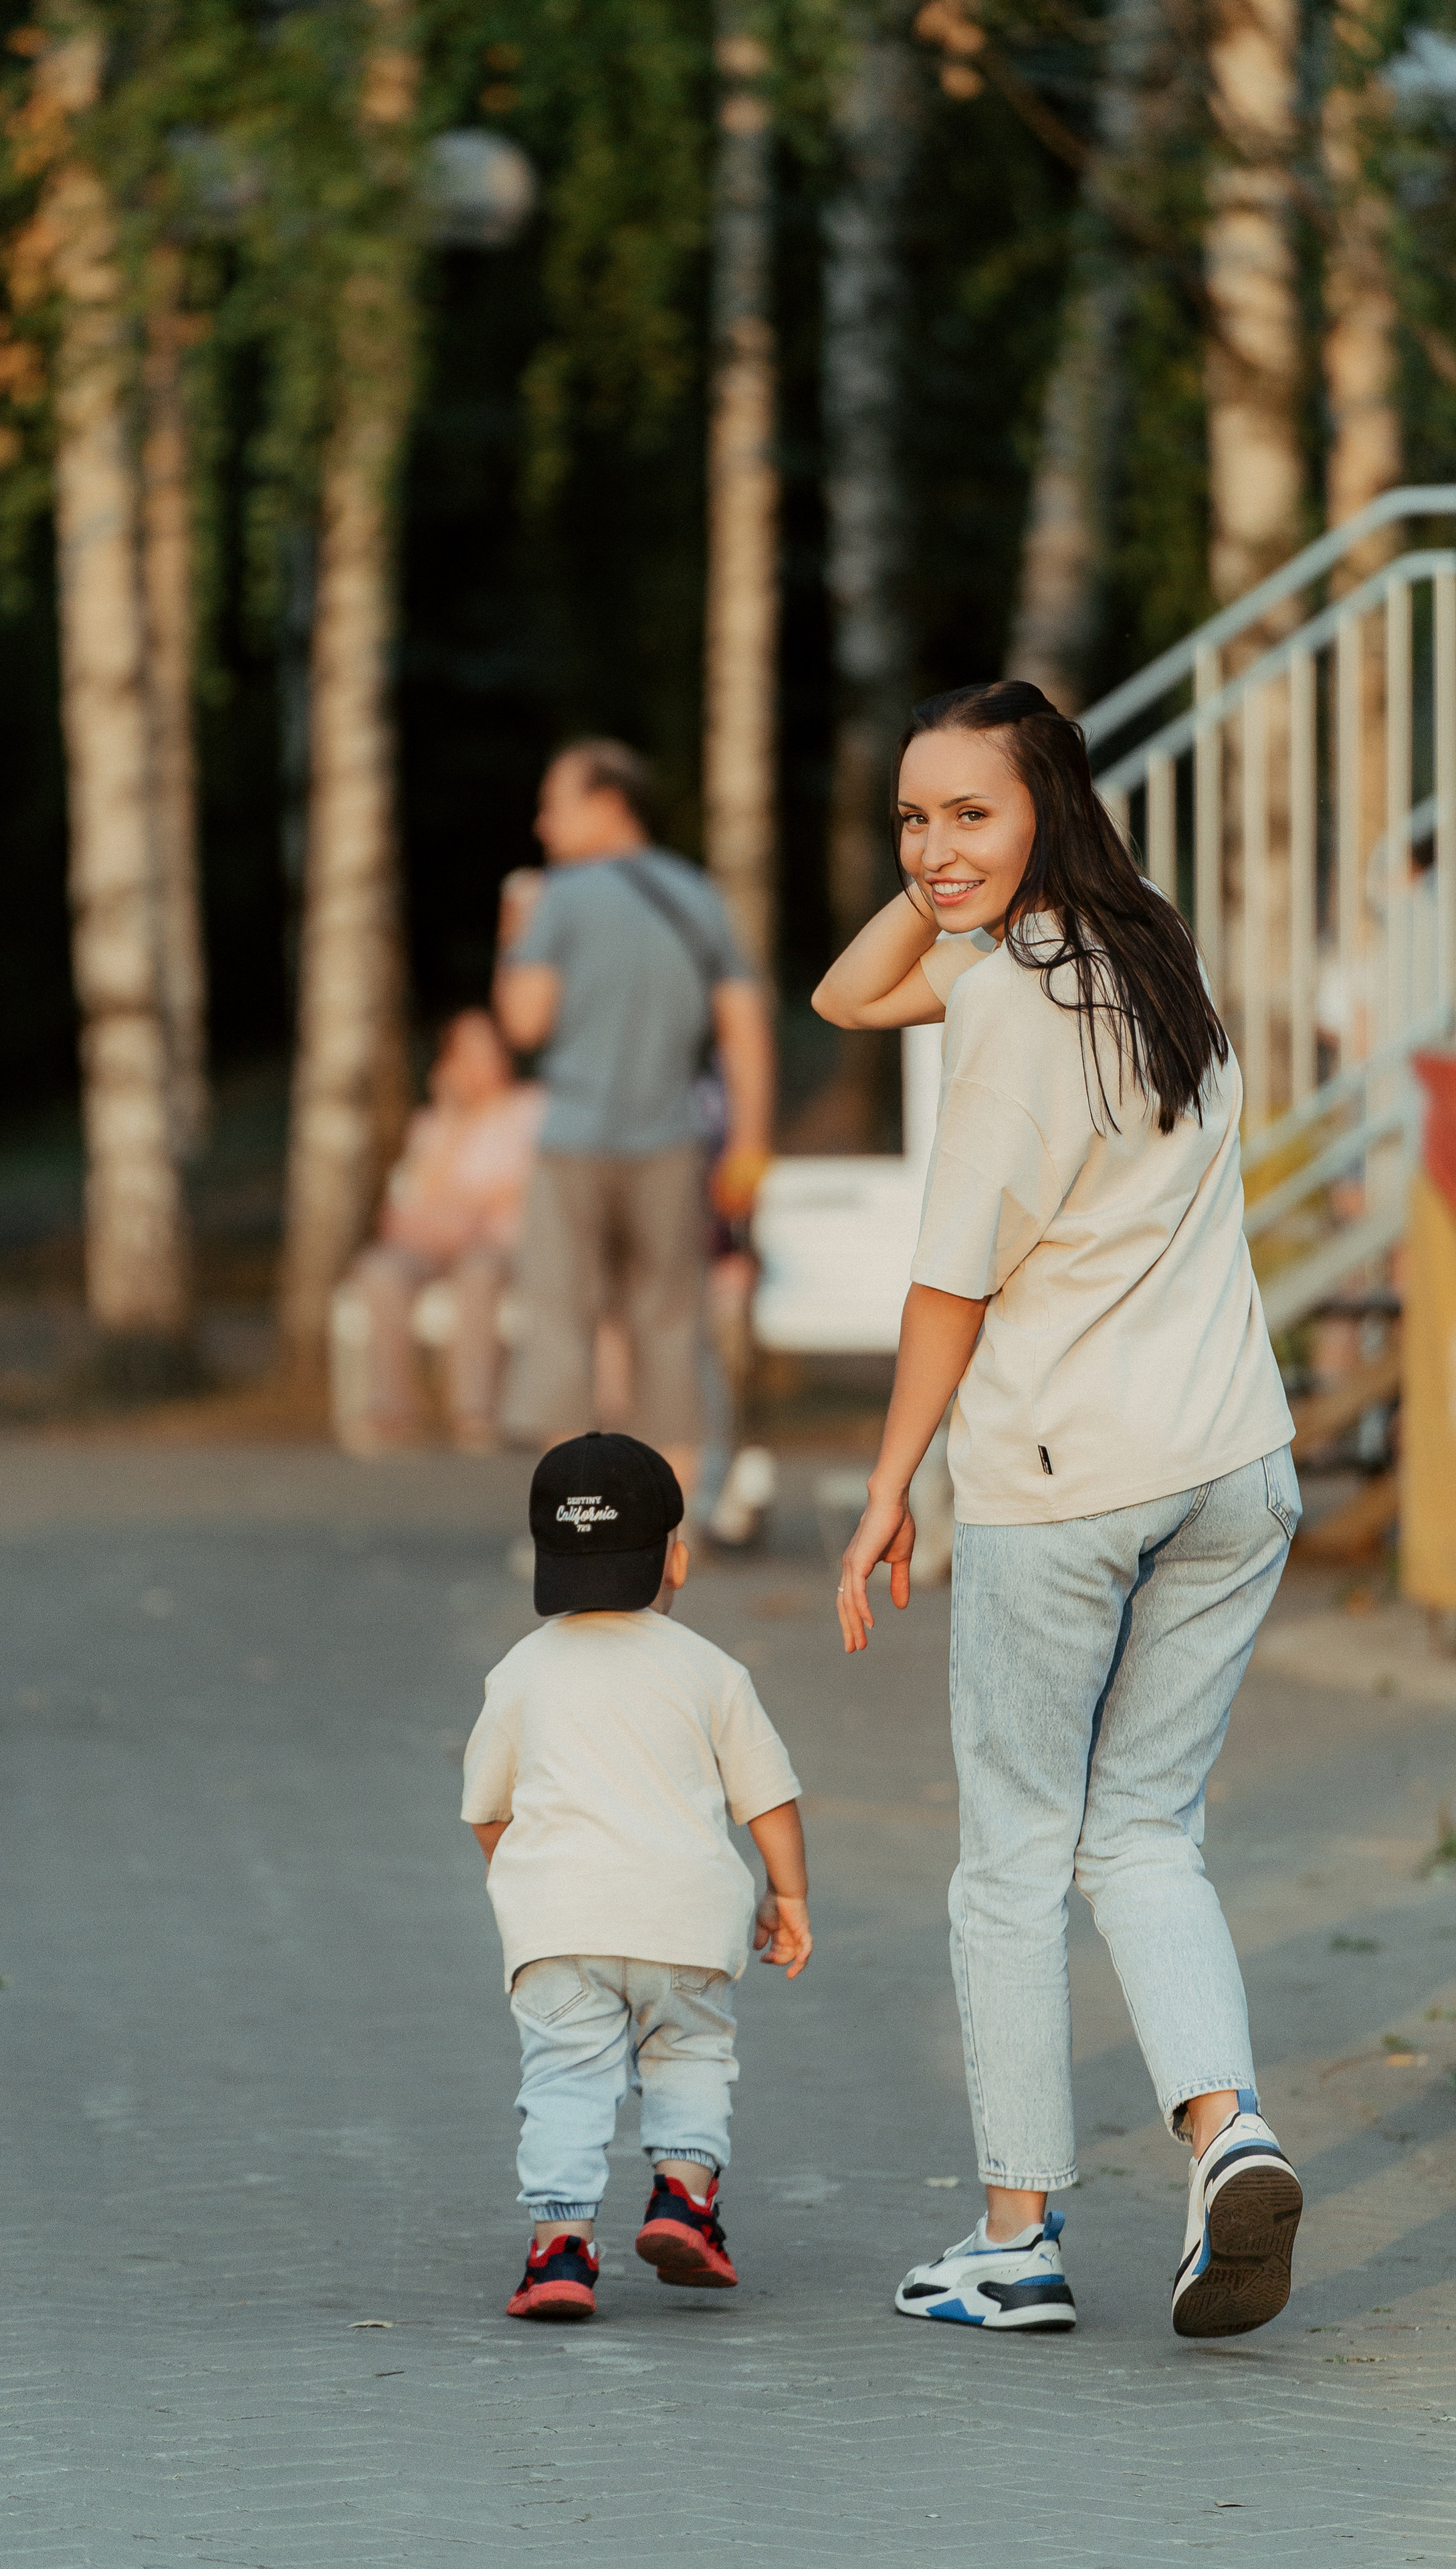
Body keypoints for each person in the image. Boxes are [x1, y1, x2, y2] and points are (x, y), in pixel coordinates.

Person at [812, 680, 1303, 2341]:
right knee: (1144, 1830)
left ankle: (1015, 2239)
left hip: (1062, 1486)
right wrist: (969, 869)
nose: (931, 849)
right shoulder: (1138, 948)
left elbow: (949, 1283)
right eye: (908, 817)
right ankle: (1223, 2131)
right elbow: (845, 986)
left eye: (970, 812)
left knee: (1011, 1861)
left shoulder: (1013, 1013)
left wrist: (888, 1484)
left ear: (1052, 807)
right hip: (1230, 1464)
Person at [460, 1430, 811, 2323]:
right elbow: (766, 1797)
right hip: (687, 1923)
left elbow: (487, 1809)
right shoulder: (710, 1671)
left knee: (566, 2083)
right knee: (692, 2052)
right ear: (678, 1561)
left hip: (559, 1929)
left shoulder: (519, 1672)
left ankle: (559, 2251)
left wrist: (532, 1882)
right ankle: (683, 2198)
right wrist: (790, 1897)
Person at [492, 740, 774, 1508]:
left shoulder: (558, 898)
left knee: (560, 1325)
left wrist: (515, 931)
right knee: (670, 1331)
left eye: (557, 803)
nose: (544, 824)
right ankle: (671, 1526)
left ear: (608, 802)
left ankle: (569, 1522)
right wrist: (747, 1145)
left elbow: (523, 1022)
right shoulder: (698, 897)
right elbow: (744, 1034)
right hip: (671, 1145)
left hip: (574, 1145)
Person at [336, 1010, 544, 1454]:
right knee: (380, 1269)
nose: (484, 1062)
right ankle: (390, 1407)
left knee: (478, 1268)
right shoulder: (432, 1127)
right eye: (469, 1052)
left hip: (501, 1247)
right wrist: (452, 1121)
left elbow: (526, 1190)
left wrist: (459, 1210)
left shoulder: (529, 1110)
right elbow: (400, 1212)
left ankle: (475, 1412)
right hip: (435, 1244)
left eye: (489, 1049)